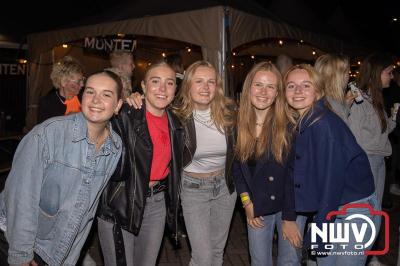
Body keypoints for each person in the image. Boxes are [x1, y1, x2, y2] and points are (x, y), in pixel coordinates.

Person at [0, 70, 123, 265]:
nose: (96, 100)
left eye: (106, 94)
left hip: (62, 249)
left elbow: (86, 213)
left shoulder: (114, 147)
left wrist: (70, 259)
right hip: (23, 241)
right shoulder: (48, 133)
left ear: (118, 105)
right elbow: (21, 196)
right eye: (90, 92)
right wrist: (21, 253)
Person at [283, 64, 379, 265]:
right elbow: (296, 173)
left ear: (318, 91)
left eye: (306, 85)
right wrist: (291, 216)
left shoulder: (324, 124)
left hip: (355, 210)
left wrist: (319, 230)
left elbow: (331, 182)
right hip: (331, 209)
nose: (298, 91)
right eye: (291, 86)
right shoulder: (299, 122)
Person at [97, 61, 184, 266]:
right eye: (155, 81)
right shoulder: (125, 114)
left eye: (169, 83)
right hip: (121, 202)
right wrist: (122, 102)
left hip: (156, 204)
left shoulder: (176, 123)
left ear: (175, 89)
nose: (162, 89)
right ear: (143, 86)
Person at [233, 62, 305, 265]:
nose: (263, 92)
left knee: (289, 260)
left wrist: (289, 218)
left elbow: (294, 175)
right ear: (248, 89)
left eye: (270, 86)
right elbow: (236, 169)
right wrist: (246, 202)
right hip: (257, 204)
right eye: (258, 85)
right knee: (259, 261)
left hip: (289, 205)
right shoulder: (237, 123)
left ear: (277, 93)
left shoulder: (290, 126)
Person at [174, 60, 237, 266]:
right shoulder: (176, 115)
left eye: (211, 82)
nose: (205, 87)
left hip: (225, 188)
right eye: (199, 81)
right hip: (193, 188)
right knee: (203, 257)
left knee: (217, 251)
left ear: (217, 87)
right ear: (188, 85)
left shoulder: (230, 113)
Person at [347, 53, 396, 206]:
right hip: (366, 161)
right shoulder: (358, 100)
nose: (392, 76)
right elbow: (353, 137)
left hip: (378, 160)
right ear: (376, 73)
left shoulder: (375, 99)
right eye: (389, 72)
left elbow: (382, 132)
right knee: (367, 213)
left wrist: (393, 117)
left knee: (374, 212)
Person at [37, 56, 85, 123]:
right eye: (79, 81)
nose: (82, 84)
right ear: (63, 82)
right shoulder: (48, 103)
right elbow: (44, 130)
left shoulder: (84, 97)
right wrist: (66, 120)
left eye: (82, 80)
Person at [314, 54, 351, 122]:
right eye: (347, 72)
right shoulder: (332, 105)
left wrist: (347, 104)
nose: (348, 76)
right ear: (337, 77)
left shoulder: (320, 101)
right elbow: (342, 130)